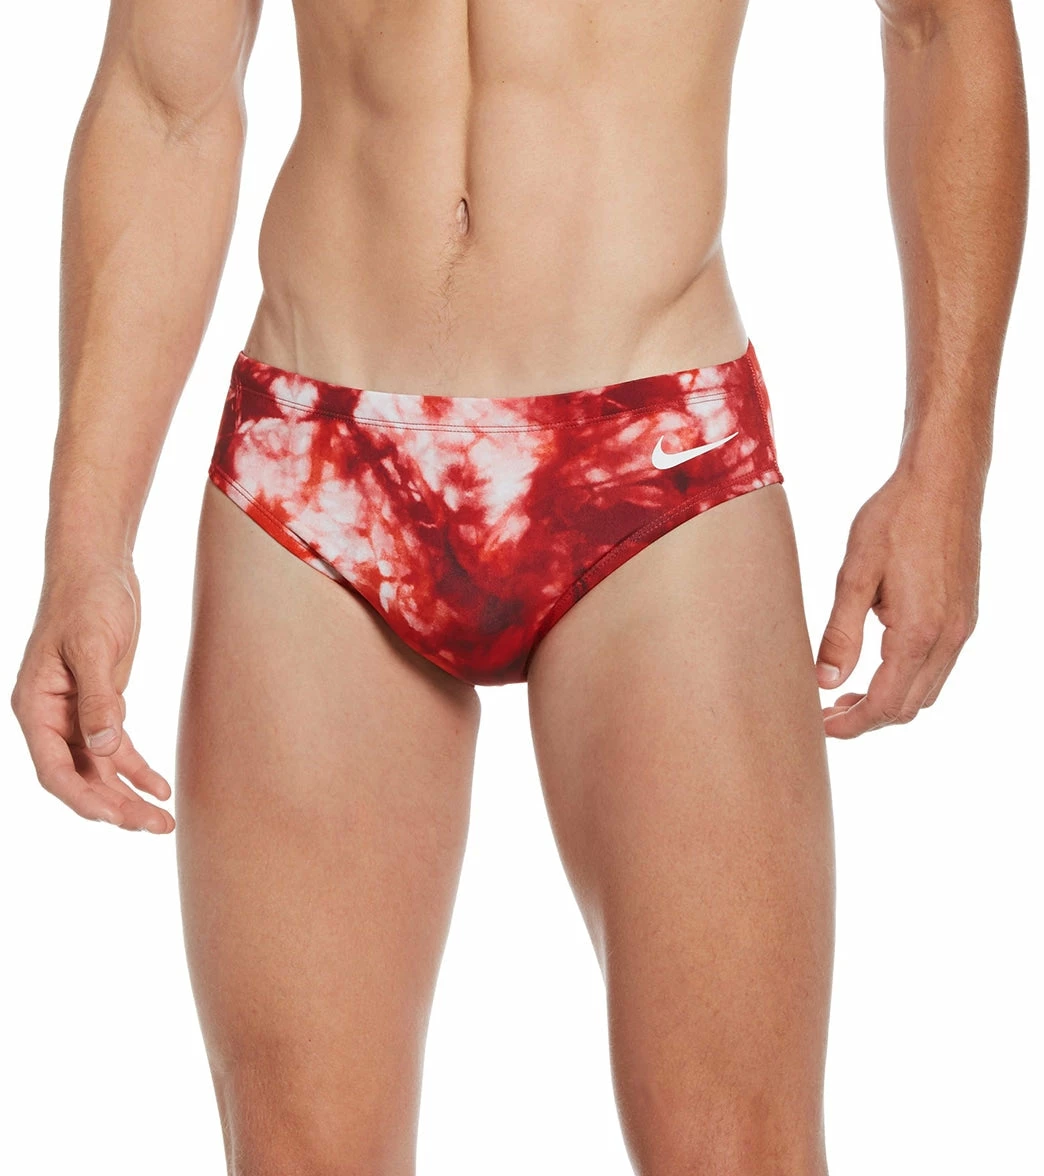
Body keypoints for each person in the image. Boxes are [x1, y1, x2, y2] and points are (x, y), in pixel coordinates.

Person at [10, 0, 1028, 1171]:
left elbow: (941, 25)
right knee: (298, 1154)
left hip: (654, 453)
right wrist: (86, 545)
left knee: (738, 1149)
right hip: (320, 453)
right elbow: (162, 99)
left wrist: (947, 467)